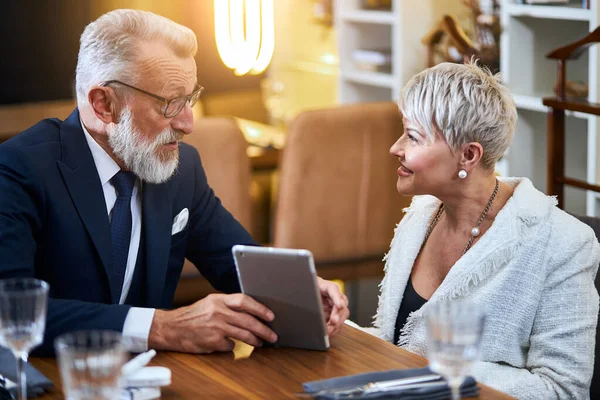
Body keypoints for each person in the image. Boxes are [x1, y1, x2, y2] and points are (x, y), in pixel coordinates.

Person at [0, 9, 348, 356]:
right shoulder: (18, 170)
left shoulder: (182, 168)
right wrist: (162, 327)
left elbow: (236, 262)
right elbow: (9, 314)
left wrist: (300, 294)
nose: (188, 123)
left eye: (190, 99)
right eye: (170, 104)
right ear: (103, 104)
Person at [368, 61, 599, 398]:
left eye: (413, 137)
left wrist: (438, 375)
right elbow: (395, 339)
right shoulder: (421, 216)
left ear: (469, 155)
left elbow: (564, 389)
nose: (395, 148)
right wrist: (333, 326)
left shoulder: (563, 244)